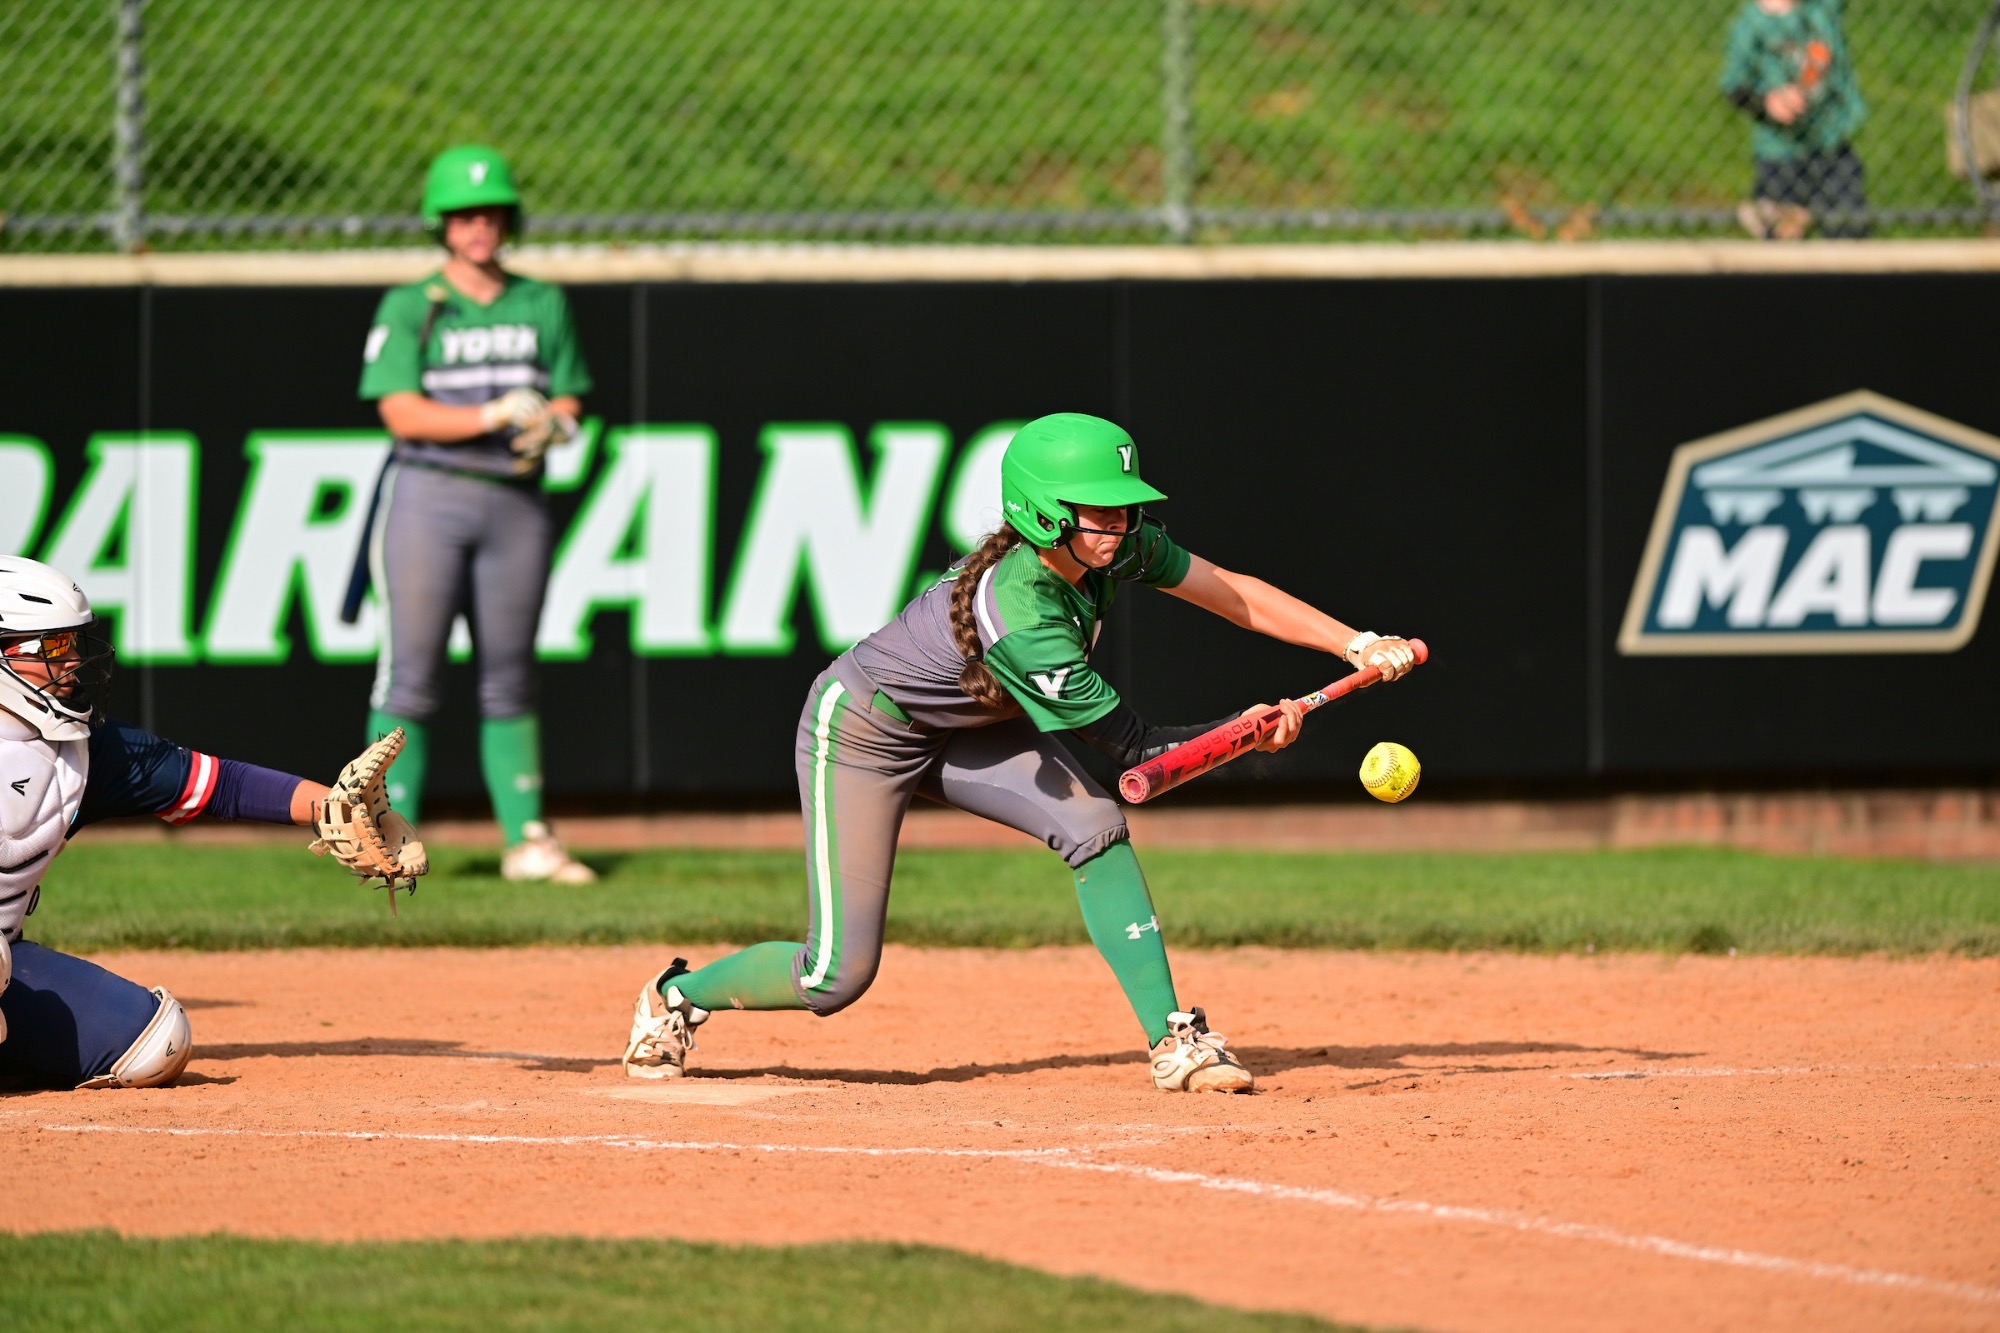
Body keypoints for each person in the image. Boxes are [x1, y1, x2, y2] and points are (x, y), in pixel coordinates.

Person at [620, 413, 1418, 1093]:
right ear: (1042, 515)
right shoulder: (1022, 614)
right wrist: (1244, 732)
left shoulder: (1114, 546)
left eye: (1126, 508)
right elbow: (1138, 755)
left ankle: (1175, 1040)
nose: (1122, 523)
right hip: (864, 730)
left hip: (973, 723)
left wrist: (1356, 641)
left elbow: (1232, 591)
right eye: (1099, 511)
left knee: (1093, 824)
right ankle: (676, 996)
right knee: (836, 975)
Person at [0, 557, 394, 1090]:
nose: (73, 662)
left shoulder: (84, 752)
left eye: (74, 642)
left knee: (152, 1043)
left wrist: (335, 810)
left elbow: (221, 784)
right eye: (52, 647)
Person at [356, 144, 596, 883]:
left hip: (515, 499)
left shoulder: (540, 301)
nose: (478, 226)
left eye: (489, 212)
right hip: (430, 494)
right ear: (442, 223)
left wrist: (552, 424)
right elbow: (399, 410)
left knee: (510, 675)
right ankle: (375, 838)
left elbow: (569, 398)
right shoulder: (413, 304)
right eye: (464, 214)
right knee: (411, 676)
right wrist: (492, 412)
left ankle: (528, 838)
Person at [1721, 0, 1869, 240]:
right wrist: (1767, 103)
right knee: (1783, 240)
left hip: (1831, 145)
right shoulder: (1750, 25)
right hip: (1780, 154)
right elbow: (1733, 86)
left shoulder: (1820, 7)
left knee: (1850, 229)